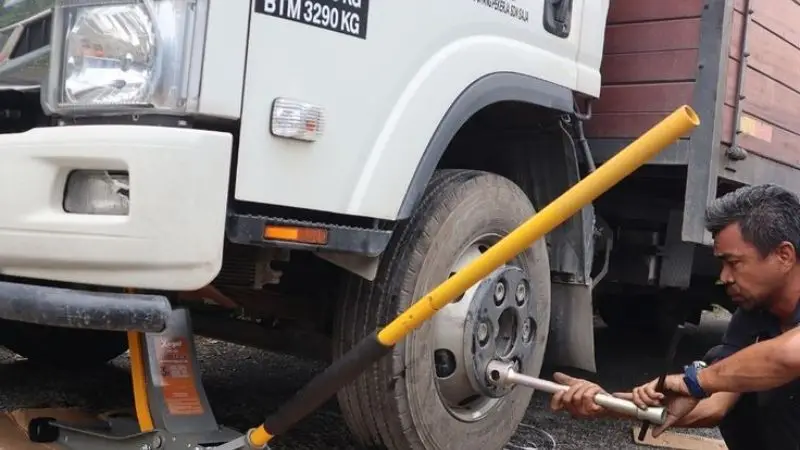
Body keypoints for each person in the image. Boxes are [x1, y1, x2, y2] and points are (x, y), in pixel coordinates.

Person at [549, 183, 800, 450]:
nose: (724, 277)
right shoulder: (753, 317)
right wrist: (606, 405)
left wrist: (694, 381)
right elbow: (715, 404)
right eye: (722, 264)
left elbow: (787, 356)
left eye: (734, 263)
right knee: (741, 375)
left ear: (783, 255)